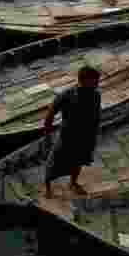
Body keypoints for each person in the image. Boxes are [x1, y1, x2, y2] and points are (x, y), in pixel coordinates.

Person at [42, 66, 101, 198]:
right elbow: (50, 114)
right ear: (85, 80)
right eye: (95, 81)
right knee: (54, 160)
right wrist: (47, 134)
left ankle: (73, 183)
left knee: (79, 159)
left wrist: (94, 134)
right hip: (67, 134)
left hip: (85, 134)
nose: (97, 84)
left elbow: (96, 115)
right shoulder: (67, 94)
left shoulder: (96, 95)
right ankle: (48, 188)